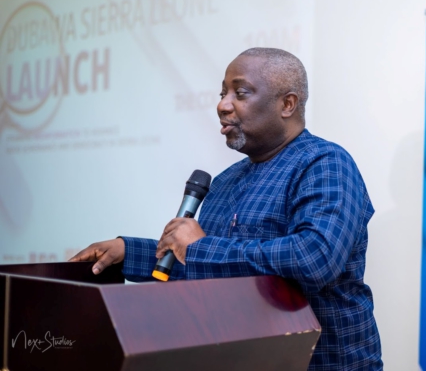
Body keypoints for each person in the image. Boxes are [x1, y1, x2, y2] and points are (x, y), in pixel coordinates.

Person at [70, 48, 383, 370]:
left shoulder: (325, 163)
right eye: (222, 94)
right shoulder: (224, 182)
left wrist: (199, 249)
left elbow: (313, 258)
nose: (222, 105)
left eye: (240, 93)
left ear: (287, 104)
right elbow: (212, 268)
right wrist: (128, 252)